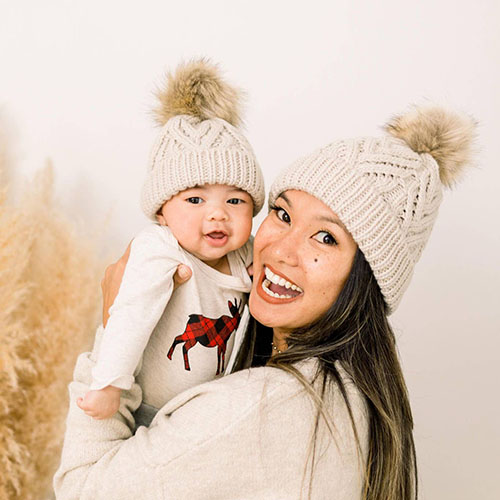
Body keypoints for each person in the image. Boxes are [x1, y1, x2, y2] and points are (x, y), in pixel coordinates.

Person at [54, 103, 475, 499]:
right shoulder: (349, 396)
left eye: (326, 238)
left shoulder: (266, 409)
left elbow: (82, 489)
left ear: (367, 279)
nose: (279, 250)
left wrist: (114, 327)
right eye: (283, 214)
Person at [77, 60, 265, 420]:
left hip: (210, 410)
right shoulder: (159, 247)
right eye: (195, 200)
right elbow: (130, 312)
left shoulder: (244, 252)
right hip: (149, 407)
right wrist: (108, 384)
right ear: (162, 212)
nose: (217, 214)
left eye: (235, 200)